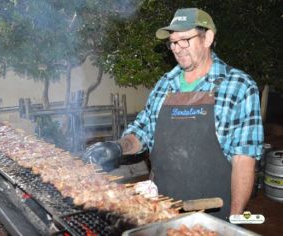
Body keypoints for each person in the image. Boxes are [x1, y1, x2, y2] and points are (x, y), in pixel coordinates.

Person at [82, 8, 264, 220]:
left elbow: (244, 160)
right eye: (173, 42)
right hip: (162, 210)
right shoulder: (164, 85)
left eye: (184, 40)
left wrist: (235, 221)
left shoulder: (239, 86)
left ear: (208, 38)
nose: (177, 48)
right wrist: (117, 147)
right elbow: (142, 133)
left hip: (213, 215)